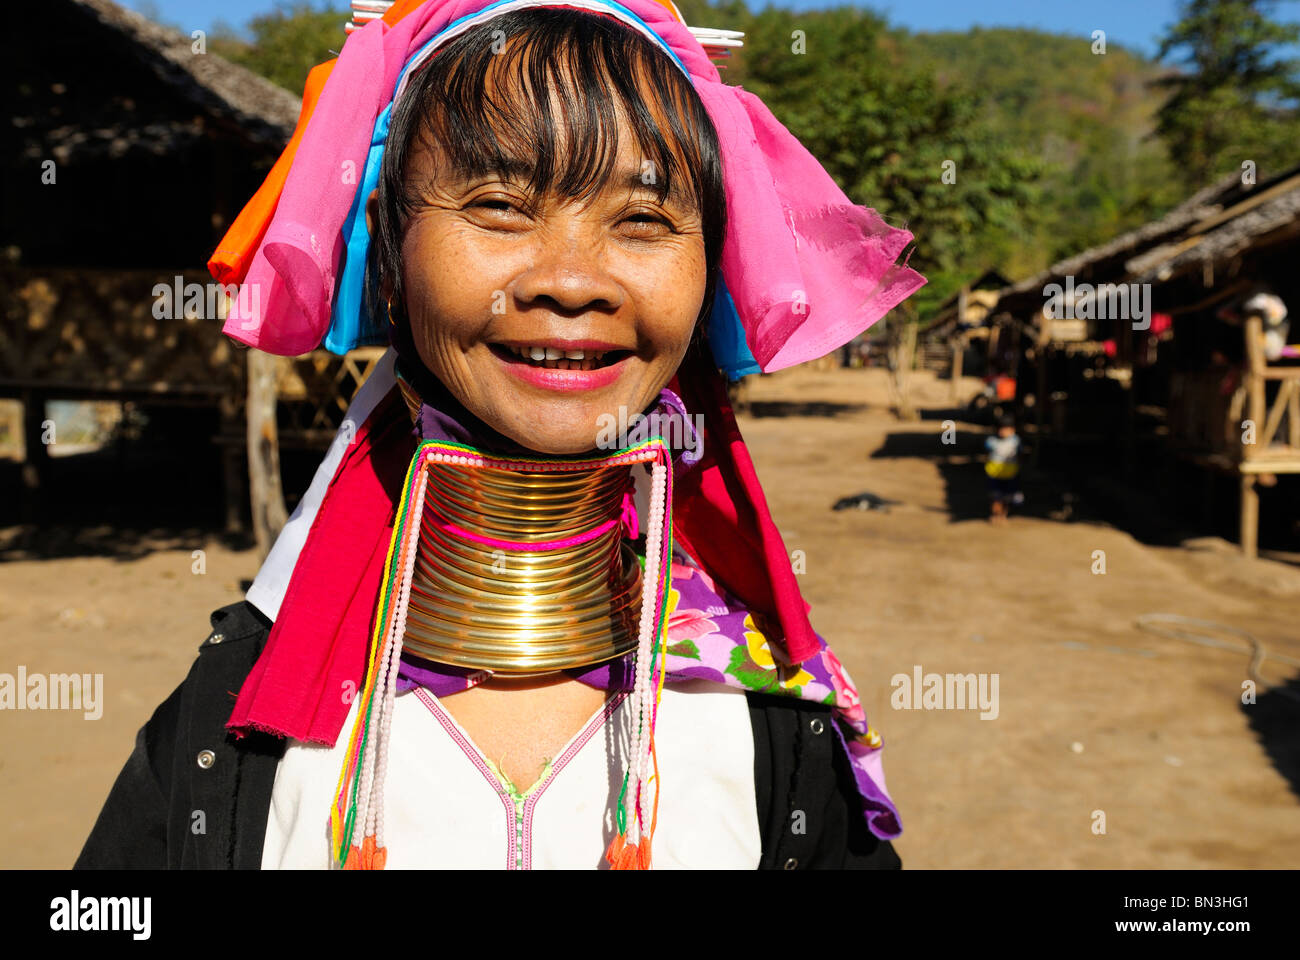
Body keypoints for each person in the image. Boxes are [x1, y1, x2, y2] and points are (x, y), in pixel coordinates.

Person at [75, 0, 925, 870]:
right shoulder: (233, 728)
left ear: (708, 275)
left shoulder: (770, 721)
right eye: (498, 205)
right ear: (392, 261)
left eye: (642, 220)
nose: (572, 281)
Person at [985, 413, 1022, 524]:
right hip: (994, 475)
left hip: (1010, 475)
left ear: (1013, 430)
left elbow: (1021, 454)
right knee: (995, 497)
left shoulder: (1016, 441)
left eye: (1006, 429)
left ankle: (1003, 515)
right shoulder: (991, 441)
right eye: (1001, 429)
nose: (1003, 431)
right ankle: (995, 515)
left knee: (1007, 498)